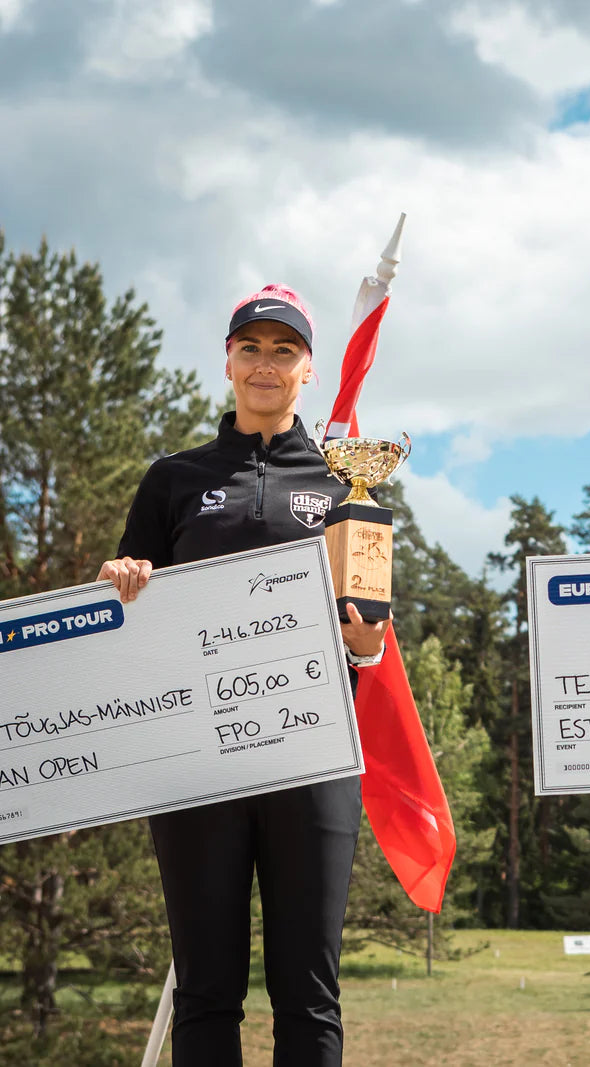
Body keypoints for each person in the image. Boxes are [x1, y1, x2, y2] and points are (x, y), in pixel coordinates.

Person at [99, 284, 386, 1067]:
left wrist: (367, 643)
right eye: (251, 348)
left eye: (283, 350)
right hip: (197, 766)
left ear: (308, 371)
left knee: (309, 995)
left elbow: (369, 638)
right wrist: (124, 579)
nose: (266, 363)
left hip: (314, 762)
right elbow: (135, 614)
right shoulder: (173, 478)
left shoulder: (342, 487)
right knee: (206, 989)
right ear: (227, 361)